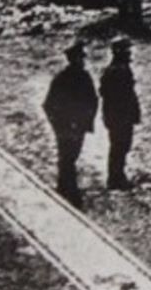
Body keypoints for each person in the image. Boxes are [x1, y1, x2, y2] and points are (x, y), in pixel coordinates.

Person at [42, 41, 98, 207]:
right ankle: (72, 194)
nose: (82, 61)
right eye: (79, 58)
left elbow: (93, 100)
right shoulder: (62, 79)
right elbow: (49, 105)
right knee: (68, 158)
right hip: (66, 127)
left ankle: (62, 187)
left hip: (77, 126)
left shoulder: (84, 77)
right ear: (72, 60)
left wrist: (86, 120)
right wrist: (59, 126)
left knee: (69, 157)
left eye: (82, 58)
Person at [99, 38, 141, 190]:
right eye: (126, 50)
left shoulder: (120, 69)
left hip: (121, 116)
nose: (129, 53)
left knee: (122, 146)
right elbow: (112, 94)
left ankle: (117, 176)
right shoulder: (117, 71)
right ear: (119, 52)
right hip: (119, 117)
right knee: (119, 146)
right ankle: (116, 178)